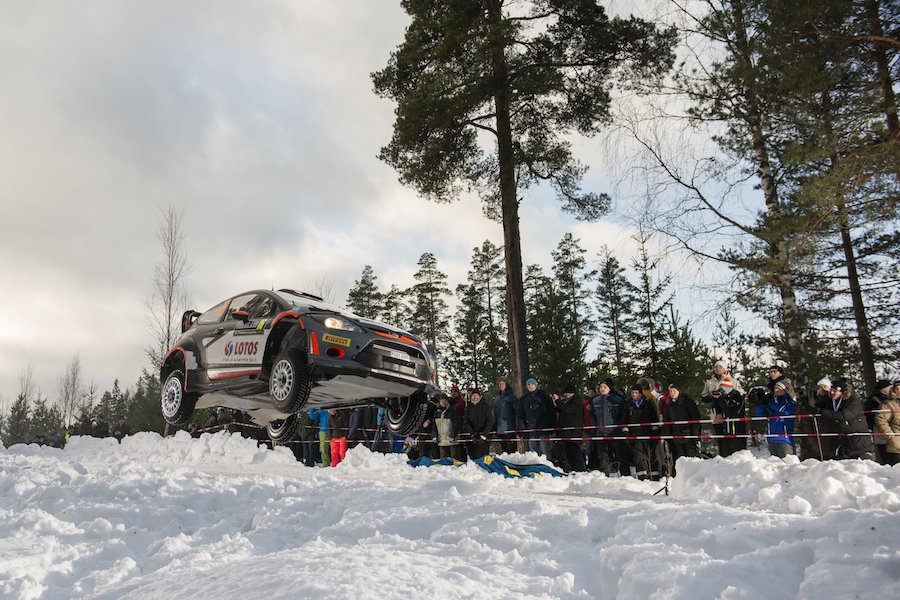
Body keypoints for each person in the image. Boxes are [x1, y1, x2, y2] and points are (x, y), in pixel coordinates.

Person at [819, 378, 875, 460]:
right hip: (845, 443)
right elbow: (818, 404)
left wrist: (823, 412)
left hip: (860, 442)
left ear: (842, 391)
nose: (832, 393)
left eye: (835, 391)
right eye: (831, 390)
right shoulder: (834, 401)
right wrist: (821, 393)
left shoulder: (853, 401)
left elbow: (844, 416)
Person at [622, 384, 661, 480]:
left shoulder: (648, 403)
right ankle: (642, 475)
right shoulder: (629, 405)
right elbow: (624, 420)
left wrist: (655, 432)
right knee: (638, 456)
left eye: (636, 393)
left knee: (651, 454)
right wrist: (626, 432)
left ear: (640, 393)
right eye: (632, 393)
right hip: (635, 435)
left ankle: (654, 474)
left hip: (648, 434)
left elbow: (654, 419)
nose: (634, 395)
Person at [662, 381, 702, 475]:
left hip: (689, 435)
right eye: (670, 391)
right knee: (679, 458)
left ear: (679, 391)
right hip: (676, 436)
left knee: (691, 457)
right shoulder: (668, 405)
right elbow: (666, 422)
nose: (672, 393)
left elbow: (695, 418)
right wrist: (668, 437)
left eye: (674, 391)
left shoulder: (688, 402)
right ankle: (680, 477)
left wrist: (696, 435)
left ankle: (694, 475)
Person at [755, 380, 797, 458]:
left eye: (779, 388)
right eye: (775, 388)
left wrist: (769, 402)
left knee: (787, 463)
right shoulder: (771, 401)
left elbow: (783, 410)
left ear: (785, 390)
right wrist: (760, 403)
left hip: (785, 439)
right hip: (771, 438)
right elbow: (760, 415)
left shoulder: (789, 401)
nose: (776, 390)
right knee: (774, 465)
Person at [709, 376, 748, 457]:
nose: (721, 392)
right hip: (726, 430)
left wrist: (721, 399)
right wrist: (715, 400)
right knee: (726, 454)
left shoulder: (737, 397)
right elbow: (717, 411)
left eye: (722, 389)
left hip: (737, 431)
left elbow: (730, 412)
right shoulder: (724, 398)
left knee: (737, 455)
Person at [516, 378, 556, 457]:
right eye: (529, 385)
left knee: (545, 452)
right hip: (531, 430)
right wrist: (521, 430)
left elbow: (551, 411)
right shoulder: (523, 399)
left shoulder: (544, 396)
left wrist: (553, 426)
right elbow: (520, 416)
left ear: (536, 385)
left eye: (532, 384)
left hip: (543, 429)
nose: (531, 386)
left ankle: (546, 467)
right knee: (533, 453)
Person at [590, 379, 622, 473]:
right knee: (602, 455)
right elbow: (592, 415)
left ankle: (620, 472)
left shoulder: (617, 400)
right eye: (601, 387)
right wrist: (595, 426)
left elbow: (621, 415)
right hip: (600, 432)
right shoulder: (595, 400)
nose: (602, 389)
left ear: (609, 388)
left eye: (605, 387)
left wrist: (619, 427)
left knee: (617, 453)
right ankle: (605, 472)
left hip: (614, 431)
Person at [555, 384, 585, 472]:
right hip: (567, 432)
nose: (566, 395)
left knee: (575, 451)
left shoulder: (576, 402)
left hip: (573, 431)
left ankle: (580, 469)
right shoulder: (568, 402)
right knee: (569, 452)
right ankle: (573, 469)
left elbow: (567, 410)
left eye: (567, 393)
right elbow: (563, 411)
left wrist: (558, 401)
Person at [873, 380, 900, 466]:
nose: (899, 391)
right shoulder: (889, 404)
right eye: (897, 389)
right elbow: (880, 419)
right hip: (896, 447)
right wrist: (890, 435)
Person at [463, 388, 494, 460]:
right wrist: (472, 434)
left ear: (479, 396)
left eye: (476, 395)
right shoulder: (468, 407)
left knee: (483, 458)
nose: (475, 397)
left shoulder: (485, 406)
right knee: (473, 458)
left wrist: (484, 435)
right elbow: (466, 421)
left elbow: (490, 420)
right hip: (473, 436)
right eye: (473, 395)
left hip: (484, 436)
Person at [866, 379, 893, 464]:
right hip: (879, 430)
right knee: (884, 453)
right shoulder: (874, 401)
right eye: (889, 388)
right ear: (883, 390)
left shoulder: (891, 399)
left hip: (891, 430)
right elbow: (870, 416)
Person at [432, 394, 463, 460]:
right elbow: (434, 426)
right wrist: (434, 436)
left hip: (452, 441)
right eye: (442, 400)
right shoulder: (436, 412)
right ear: (439, 402)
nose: (443, 402)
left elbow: (457, 424)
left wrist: (453, 435)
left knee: (455, 460)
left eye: (445, 400)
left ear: (447, 401)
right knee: (444, 462)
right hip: (441, 441)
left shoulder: (453, 411)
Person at [493, 377, 518, 454]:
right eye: (499, 384)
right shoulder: (497, 399)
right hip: (500, 428)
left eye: (503, 383)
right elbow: (495, 413)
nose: (501, 385)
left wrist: (517, 425)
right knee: (504, 450)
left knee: (512, 449)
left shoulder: (512, 396)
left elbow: (517, 411)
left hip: (510, 427)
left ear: (506, 384)